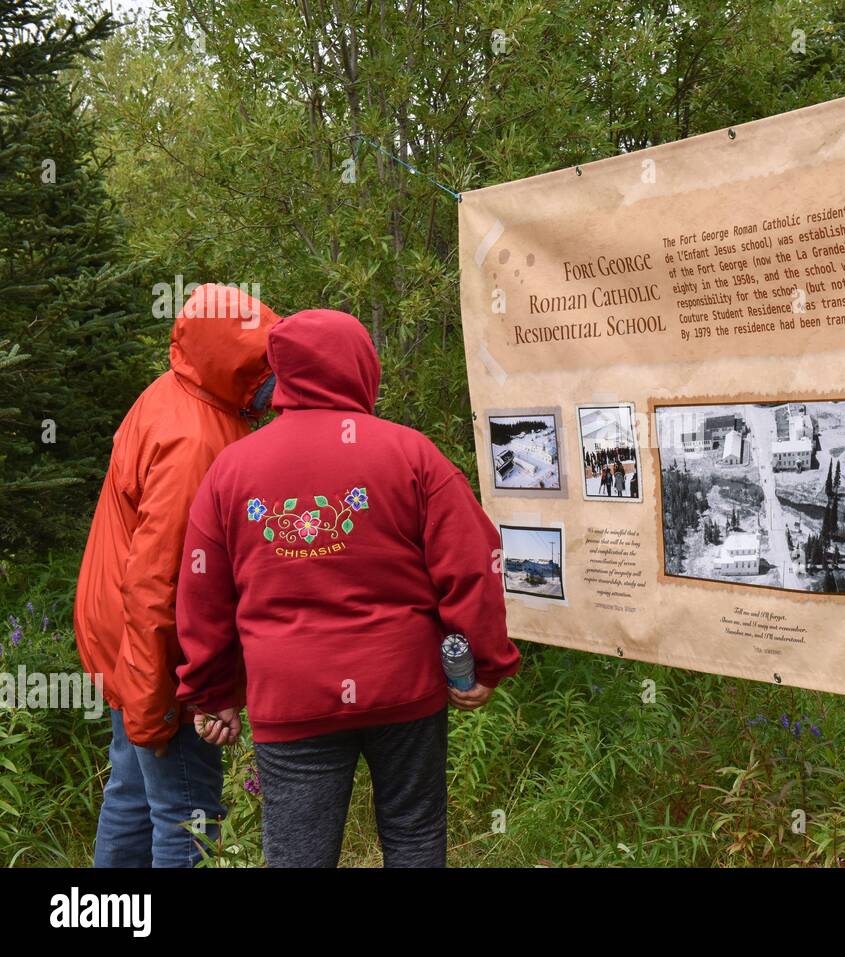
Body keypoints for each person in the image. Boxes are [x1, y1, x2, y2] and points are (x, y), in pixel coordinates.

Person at [175, 308, 520, 868]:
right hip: (403, 687)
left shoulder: (231, 470)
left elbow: (202, 591)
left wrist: (213, 694)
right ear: (362, 367)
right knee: (413, 836)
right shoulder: (411, 454)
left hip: (292, 696)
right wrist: (483, 662)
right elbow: (474, 563)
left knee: (298, 854)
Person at [74, 284, 281, 868]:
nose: (277, 382)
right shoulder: (197, 442)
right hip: (160, 654)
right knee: (188, 818)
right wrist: (175, 700)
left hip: (124, 638)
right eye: (265, 364)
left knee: (134, 795)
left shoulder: (178, 393)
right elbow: (160, 586)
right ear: (237, 364)